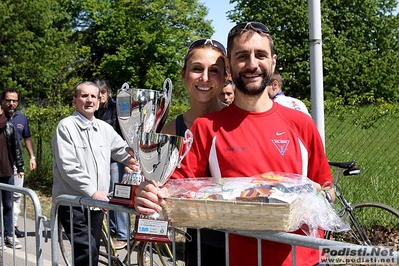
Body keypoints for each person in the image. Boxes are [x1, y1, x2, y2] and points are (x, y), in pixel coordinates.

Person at [134, 22, 334, 266]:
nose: (252, 64)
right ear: (229, 66)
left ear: (273, 61)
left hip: (304, 260)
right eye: (242, 56)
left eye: (260, 55)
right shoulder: (207, 127)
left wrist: (308, 204)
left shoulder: (301, 123)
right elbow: (176, 187)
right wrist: (149, 192)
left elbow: (326, 187)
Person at [51, 81, 139, 266]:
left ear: (99, 101)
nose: (89, 100)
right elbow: (69, 167)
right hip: (73, 201)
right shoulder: (66, 127)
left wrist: (133, 160)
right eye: (84, 96)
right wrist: (93, 192)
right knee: (87, 249)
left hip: (97, 204)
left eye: (93, 96)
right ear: (75, 100)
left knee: (91, 250)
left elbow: (121, 150)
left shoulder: (104, 128)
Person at [161, 38, 228, 265]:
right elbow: (162, 185)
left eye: (215, 70)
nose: (205, 77)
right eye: (197, 69)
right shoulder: (171, 130)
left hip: (245, 238)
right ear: (183, 75)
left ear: (226, 77)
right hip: (199, 239)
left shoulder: (239, 123)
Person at [94, 79, 129, 250]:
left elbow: (124, 133)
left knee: (118, 195)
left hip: (116, 159)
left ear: (108, 93)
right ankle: (113, 230)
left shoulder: (116, 108)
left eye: (102, 93)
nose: (99, 97)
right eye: (97, 93)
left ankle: (123, 234)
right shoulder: (95, 110)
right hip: (102, 160)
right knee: (108, 195)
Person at [1, 88, 36, 238]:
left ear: (18, 102)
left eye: (14, 101)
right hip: (2, 164)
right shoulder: (0, 117)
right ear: (3, 101)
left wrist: (32, 157)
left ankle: (12, 226)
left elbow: (26, 138)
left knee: (16, 196)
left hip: (16, 164)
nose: (11, 103)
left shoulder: (22, 118)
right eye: (8, 100)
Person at [0, 101, 23, 249]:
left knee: (8, 205)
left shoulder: (9, 127)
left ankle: (9, 235)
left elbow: (16, 148)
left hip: (7, 171)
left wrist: (20, 167)